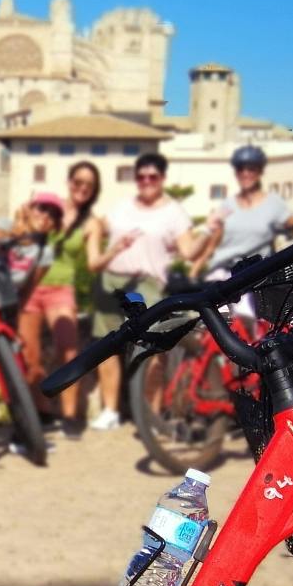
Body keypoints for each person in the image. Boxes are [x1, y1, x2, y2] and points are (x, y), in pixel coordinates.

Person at [90, 151, 202, 430]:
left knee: (153, 351)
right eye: (141, 177)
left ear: (162, 178)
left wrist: (211, 233)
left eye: (153, 176)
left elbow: (188, 250)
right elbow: (98, 226)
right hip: (113, 281)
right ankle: (111, 410)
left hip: (148, 286)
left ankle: (150, 415)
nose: (147, 181)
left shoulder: (173, 211)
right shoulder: (122, 206)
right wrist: (92, 234)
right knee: (106, 348)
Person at [22, 169, 100, 439]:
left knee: (68, 351)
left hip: (60, 288)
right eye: (78, 182)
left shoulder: (91, 223)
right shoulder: (46, 206)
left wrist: (116, 250)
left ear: (93, 189)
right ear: (69, 182)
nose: (82, 187)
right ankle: (42, 412)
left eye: (88, 184)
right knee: (29, 356)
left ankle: (69, 416)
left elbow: (93, 262)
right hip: (30, 285)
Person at [193, 144, 293, 276]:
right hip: (222, 274)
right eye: (240, 169)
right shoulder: (227, 205)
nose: (245, 173)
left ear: (260, 172)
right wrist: (192, 275)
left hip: (254, 275)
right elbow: (212, 246)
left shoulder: (274, 204)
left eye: (251, 169)